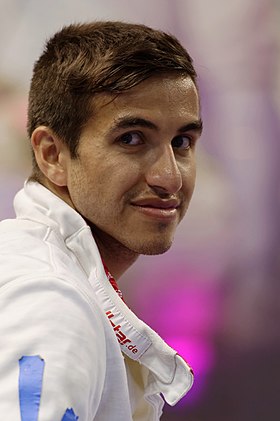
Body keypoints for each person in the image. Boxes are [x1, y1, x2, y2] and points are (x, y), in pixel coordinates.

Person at [0, 21, 202, 421]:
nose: (170, 178)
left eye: (181, 142)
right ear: (52, 154)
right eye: (132, 138)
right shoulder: (51, 300)